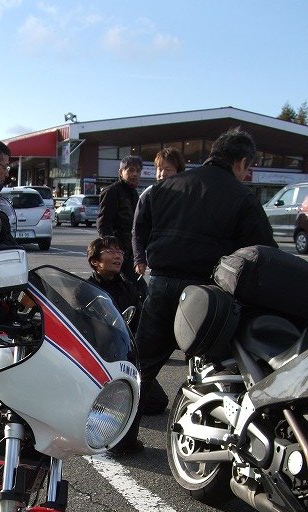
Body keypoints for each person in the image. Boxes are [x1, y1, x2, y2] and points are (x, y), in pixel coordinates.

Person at [111, 127, 277, 455]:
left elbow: (139, 227)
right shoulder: (242, 197)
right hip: (208, 294)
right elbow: (263, 252)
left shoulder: (164, 188)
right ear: (242, 162)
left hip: (160, 285)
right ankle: (204, 448)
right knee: (213, 370)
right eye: (248, 167)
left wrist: (144, 258)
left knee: (141, 367)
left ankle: (119, 439)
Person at [132, 146, 185, 415]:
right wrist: (139, 258)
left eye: (168, 169)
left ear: (180, 171)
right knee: (146, 352)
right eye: (159, 169)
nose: (162, 174)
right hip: (160, 274)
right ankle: (129, 407)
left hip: (183, 276)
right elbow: (138, 230)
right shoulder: (150, 194)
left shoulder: (187, 196)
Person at [96, 155, 143, 283]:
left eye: (138, 171)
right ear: (121, 173)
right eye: (130, 170)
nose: (135, 174)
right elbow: (103, 223)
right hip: (117, 252)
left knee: (127, 287)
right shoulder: (112, 191)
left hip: (130, 252)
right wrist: (112, 250)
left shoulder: (134, 193)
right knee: (136, 287)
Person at [85, 236, 144, 330]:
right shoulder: (85, 290)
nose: (118, 256)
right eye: (110, 252)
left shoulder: (128, 288)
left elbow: (141, 321)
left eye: (120, 252)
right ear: (94, 261)